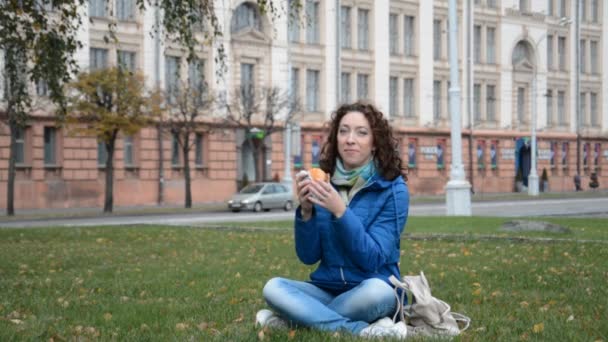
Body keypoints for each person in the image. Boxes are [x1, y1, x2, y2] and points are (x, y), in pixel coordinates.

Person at [256, 102, 410, 339]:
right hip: (328, 289)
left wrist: (340, 211)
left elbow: (373, 259)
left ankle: (294, 320)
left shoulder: (393, 190)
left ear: (375, 142)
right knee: (273, 287)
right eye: (344, 130)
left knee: (378, 292)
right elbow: (308, 257)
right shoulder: (322, 181)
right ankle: (363, 331)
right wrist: (306, 211)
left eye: (361, 132)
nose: (350, 139)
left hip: (371, 287)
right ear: (336, 138)